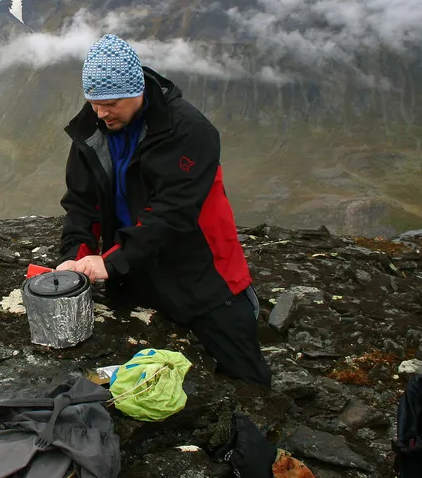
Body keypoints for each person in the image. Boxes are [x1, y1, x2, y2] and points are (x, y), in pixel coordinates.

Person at [56, 34, 272, 387]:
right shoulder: (92, 131)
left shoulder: (189, 131)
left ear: (136, 90)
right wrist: (75, 257)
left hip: (202, 279)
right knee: (137, 380)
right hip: (135, 273)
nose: (100, 112)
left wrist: (110, 260)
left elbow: (172, 215)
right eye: (93, 102)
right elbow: (82, 204)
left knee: (246, 378)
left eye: (110, 103)